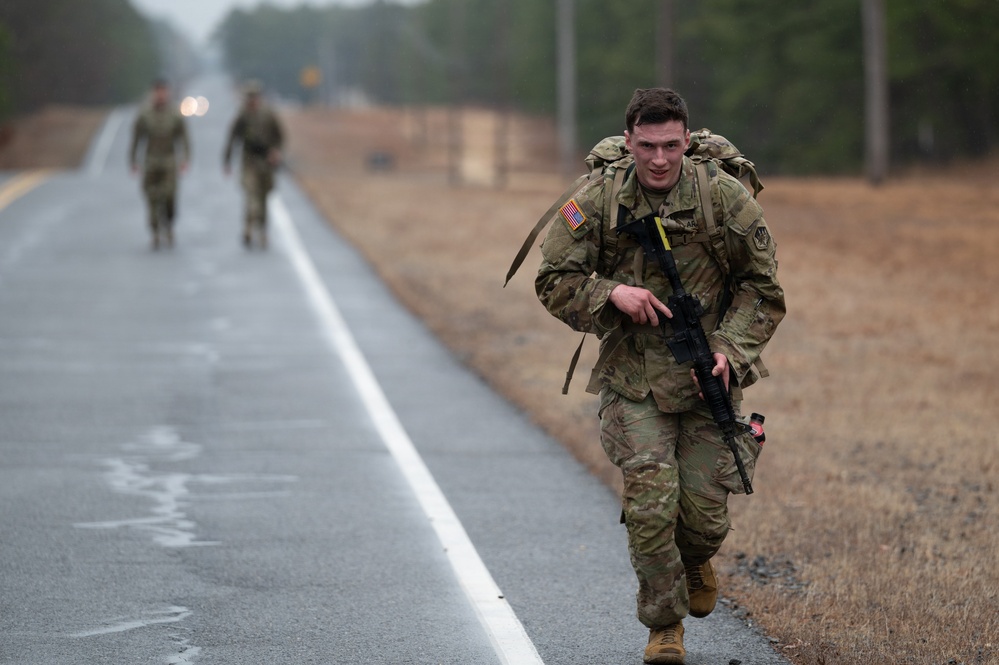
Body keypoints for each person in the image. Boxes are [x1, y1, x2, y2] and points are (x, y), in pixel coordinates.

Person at [535, 88, 785, 664]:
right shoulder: (594, 200)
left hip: (707, 380)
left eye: (671, 145)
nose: (658, 159)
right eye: (646, 146)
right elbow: (554, 279)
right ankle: (663, 626)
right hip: (633, 379)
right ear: (629, 142)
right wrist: (609, 292)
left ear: (687, 141)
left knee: (702, 522)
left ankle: (696, 559)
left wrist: (729, 350)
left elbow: (763, 290)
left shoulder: (722, 198)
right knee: (651, 505)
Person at [129, 78, 190, 249]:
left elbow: (184, 139)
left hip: (169, 161)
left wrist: (185, 159)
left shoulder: (175, 114)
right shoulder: (144, 114)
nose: (161, 95)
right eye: (157, 91)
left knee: (169, 196)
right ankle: (155, 231)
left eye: (163, 91)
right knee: (151, 197)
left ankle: (169, 225)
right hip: (150, 161)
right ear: (153, 93)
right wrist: (133, 161)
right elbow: (136, 139)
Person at [223, 81, 284, 249]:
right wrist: (227, 160)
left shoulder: (268, 114)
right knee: (251, 197)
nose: (251, 101)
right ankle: (248, 228)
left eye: (254, 97)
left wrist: (276, 152)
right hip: (249, 162)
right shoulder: (242, 116)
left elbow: (280, 137)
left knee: (263, 198)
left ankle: (263, 230)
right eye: (248, 97)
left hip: (265, 163)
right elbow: (232, 138)